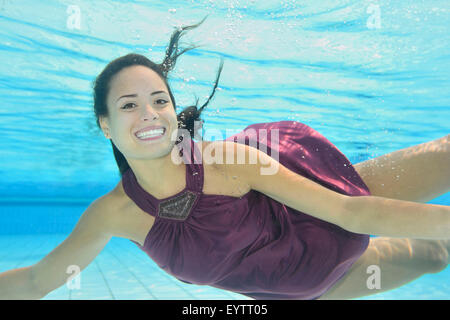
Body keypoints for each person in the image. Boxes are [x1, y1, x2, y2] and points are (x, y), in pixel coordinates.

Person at [0, 17, 449, 300]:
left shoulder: (224, 161)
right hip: (313, 291)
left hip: (331, 221)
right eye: (128, 105)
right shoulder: (112, 214)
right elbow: (40, 282)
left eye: (159, 100)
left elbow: (349, 211)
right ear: (105, 125)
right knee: (434, 259)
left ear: (174, 110)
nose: (149, 114)